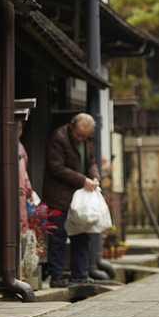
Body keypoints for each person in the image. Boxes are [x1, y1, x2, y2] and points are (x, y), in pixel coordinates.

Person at [42, 113, 101, 287]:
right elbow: (56, 168)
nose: (81, 138)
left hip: (80, 197)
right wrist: (83, 180)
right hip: (59, 195)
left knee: (82, 234)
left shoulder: (88, 139)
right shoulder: (58, 138)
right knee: (58, 235)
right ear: (71, 124)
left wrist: (95, 177)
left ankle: (80, 274)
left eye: (84, 135)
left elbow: (91, 162)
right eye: (78, 134)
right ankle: (57, 277)